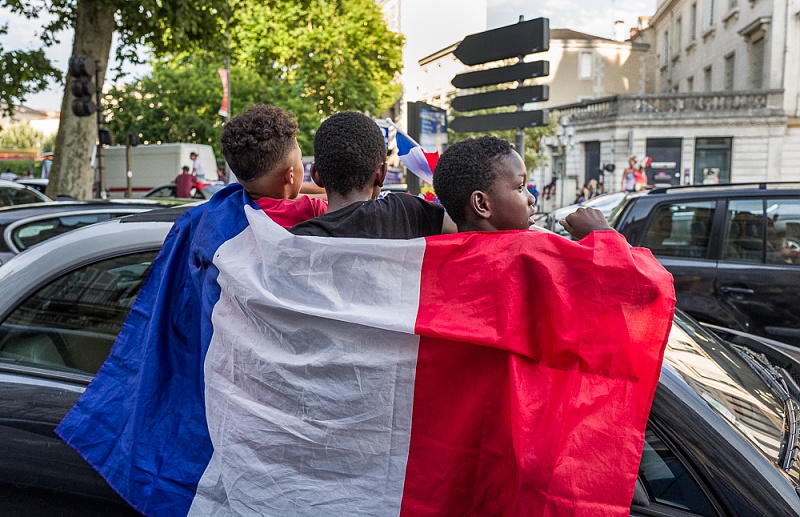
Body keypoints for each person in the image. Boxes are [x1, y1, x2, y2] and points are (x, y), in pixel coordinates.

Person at [290, 111, 456, 238]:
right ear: (381, 174)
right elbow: (463, 226)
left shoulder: (298, 239)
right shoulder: (407, 212)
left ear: (316, 175)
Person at [432, 136, 611, 237]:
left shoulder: (433, 259)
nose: (531, 198)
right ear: (482, 204)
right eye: (520, 187)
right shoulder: (535, 256)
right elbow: (625, 277)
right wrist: (601, 232)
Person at [220, 104, 327, 226]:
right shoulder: (313, 210)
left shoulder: (223, 200)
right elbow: (339, 200)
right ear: (290, 175)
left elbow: (284, 194)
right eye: (300, 159)